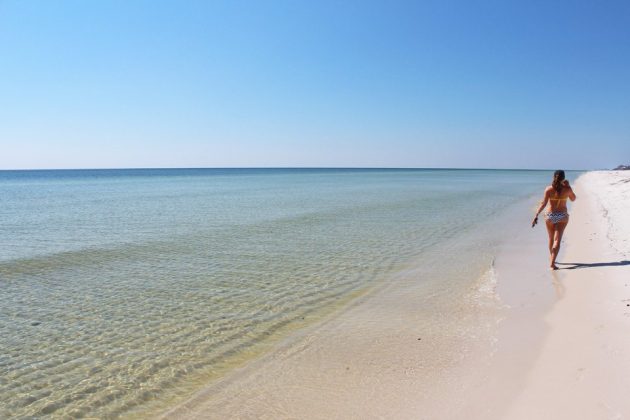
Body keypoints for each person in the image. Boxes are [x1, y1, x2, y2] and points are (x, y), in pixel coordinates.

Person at [531, 170, 577, 270]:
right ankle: (552, 263)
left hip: (550, 215)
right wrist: (569, 186)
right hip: (562, 216)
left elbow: (543, 203)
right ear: (563, 178)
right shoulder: (567, 189)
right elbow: (573, 199)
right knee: (557, 240)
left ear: (553, 177)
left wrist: (536, 215)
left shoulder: (548, 189)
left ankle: (552, 258)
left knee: (551, 238)